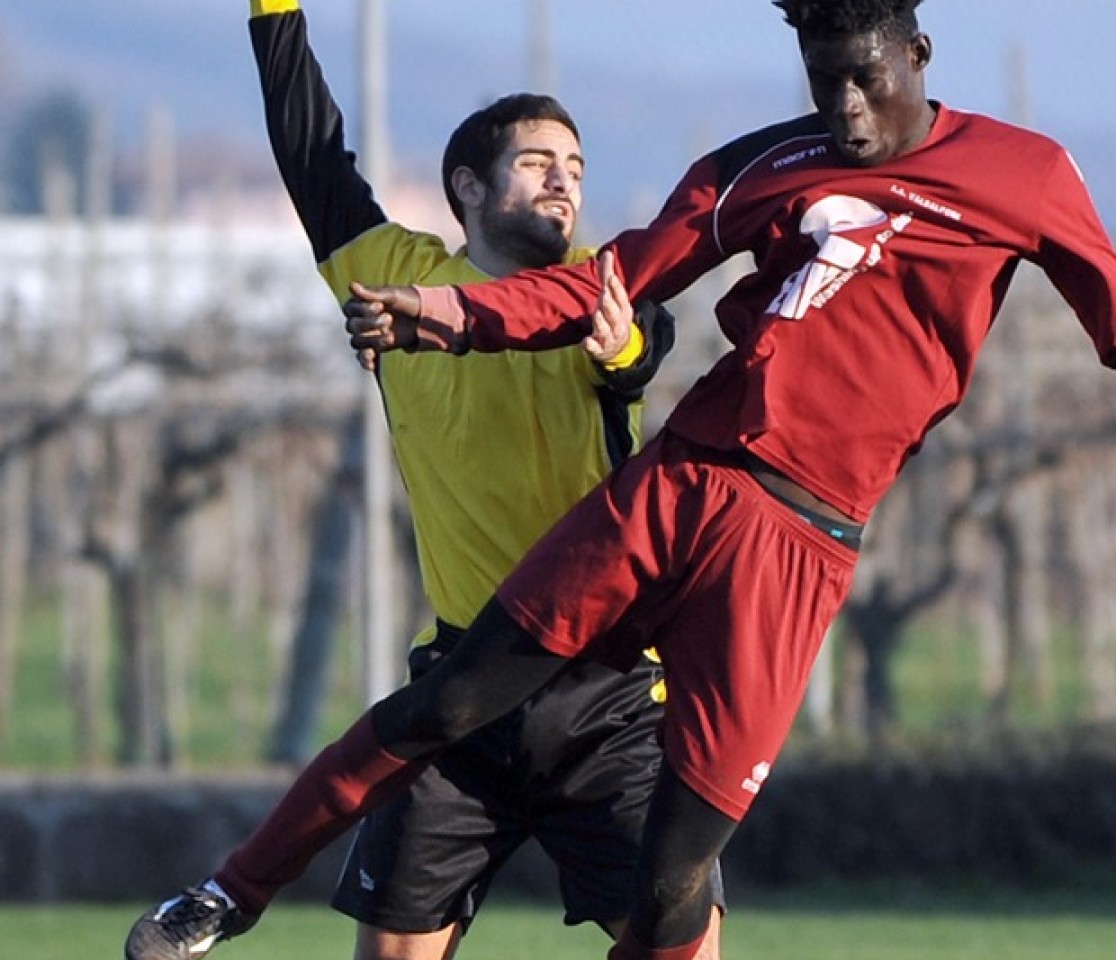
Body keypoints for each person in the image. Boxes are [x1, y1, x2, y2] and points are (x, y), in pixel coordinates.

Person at [131, 2, 1116, 959]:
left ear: (919, 53)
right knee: (445, 706)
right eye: (824, 80)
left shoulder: (1024, 175)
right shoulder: (761, 163)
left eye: (865, 75)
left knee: (675, 891)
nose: (846, 105)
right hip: (685, 484)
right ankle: (224, 896)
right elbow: (618, 282)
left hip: (799, 548)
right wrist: (454, 314)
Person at [124, 3, 726, 960]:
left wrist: (629, 348)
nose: (565, 182)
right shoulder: (390, 276)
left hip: (607, 690)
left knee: (680, 949)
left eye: (575, 167)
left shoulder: (601, 288)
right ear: (469, 187)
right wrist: (274, 14)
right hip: (462, 681)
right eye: (539, 163)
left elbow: (645, 343)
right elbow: (312, 152)